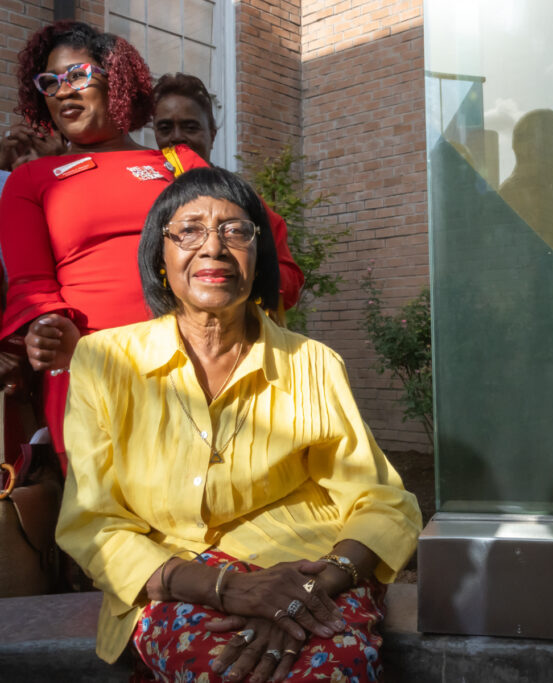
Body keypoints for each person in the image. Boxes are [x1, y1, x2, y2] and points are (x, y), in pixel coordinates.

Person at [56, 166, 422, 682]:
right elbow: (91, 521)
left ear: (258, 258)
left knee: (331, 668)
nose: (214, 247)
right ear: (159, 258)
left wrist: (313, 589)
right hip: (179, 580)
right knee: (223, 671)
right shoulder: (105, 360)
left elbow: (383, 501)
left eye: (236, 230)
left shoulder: (312, 362)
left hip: (310, 573)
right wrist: (230, 590)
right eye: (189, 230)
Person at [0, 22, 298, 466]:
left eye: (78, 75)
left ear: (117, 81)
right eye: (51, 82)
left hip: (197, 366)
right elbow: (31, 283)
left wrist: (249, 308)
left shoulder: (176, 162)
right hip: (91, 368)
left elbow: (268, 243)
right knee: (107, 522)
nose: (63, 92)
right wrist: (45, 325)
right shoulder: (31, 179)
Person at [152, 72, 304, 309]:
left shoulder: (242, 200)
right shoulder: (144, 193)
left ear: (212, 135)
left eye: (190, 127)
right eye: (165, 128)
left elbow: (290, 284)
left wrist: (240, 273)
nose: (177, 137)